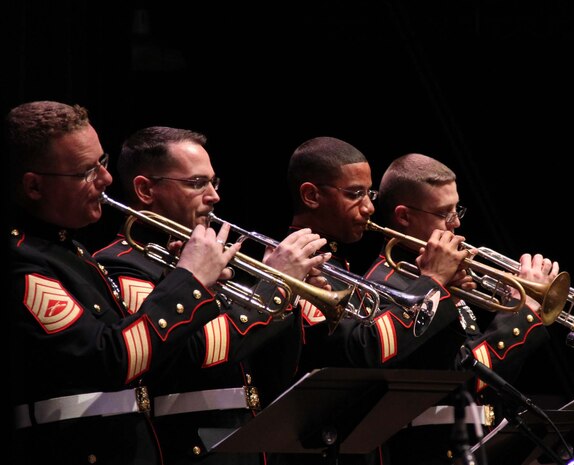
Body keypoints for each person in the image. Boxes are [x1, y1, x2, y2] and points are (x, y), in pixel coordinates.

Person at [6, 101, 240, 465]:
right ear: (34, 186)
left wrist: (179, 280)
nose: (107, 179)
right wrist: (188, 280)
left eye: (102, 161)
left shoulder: (73, 252)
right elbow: (111, 360)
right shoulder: (21, 261)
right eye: (86, 171)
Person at [92, 126, 331, 465]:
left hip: (245, 440)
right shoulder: (120, 262)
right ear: (146, 189)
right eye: (196, 183)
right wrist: (276, 285)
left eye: (213, 182)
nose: (213, 196)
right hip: (190, 447)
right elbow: (202, 352)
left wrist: (291, 297)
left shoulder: (207, 258)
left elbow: (268, 365)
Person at [252, 136, 473, 465]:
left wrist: (443, 295)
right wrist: (433, 283)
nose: (369, 208)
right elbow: (362, 351)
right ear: (312, 195)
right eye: (354, 195)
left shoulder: (339, 267)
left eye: (368, 194)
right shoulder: (301, 266)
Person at [363, 153, 559, 464]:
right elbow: (463, 377)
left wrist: (513, 305)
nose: (456, 225)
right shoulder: (389, 285)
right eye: (444, 213)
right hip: (431, 453)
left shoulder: (440, 279)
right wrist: (523, 313)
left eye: (457, 211)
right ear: (403, 217)